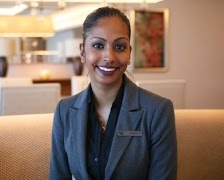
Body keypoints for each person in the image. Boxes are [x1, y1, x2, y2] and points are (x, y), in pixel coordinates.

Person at [49, 6, 177, 180]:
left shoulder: (157, 110)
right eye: (98, 45)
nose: (109, 56)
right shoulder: (65, 110)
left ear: (129, 53)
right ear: (82, 52)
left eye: (119, 46)